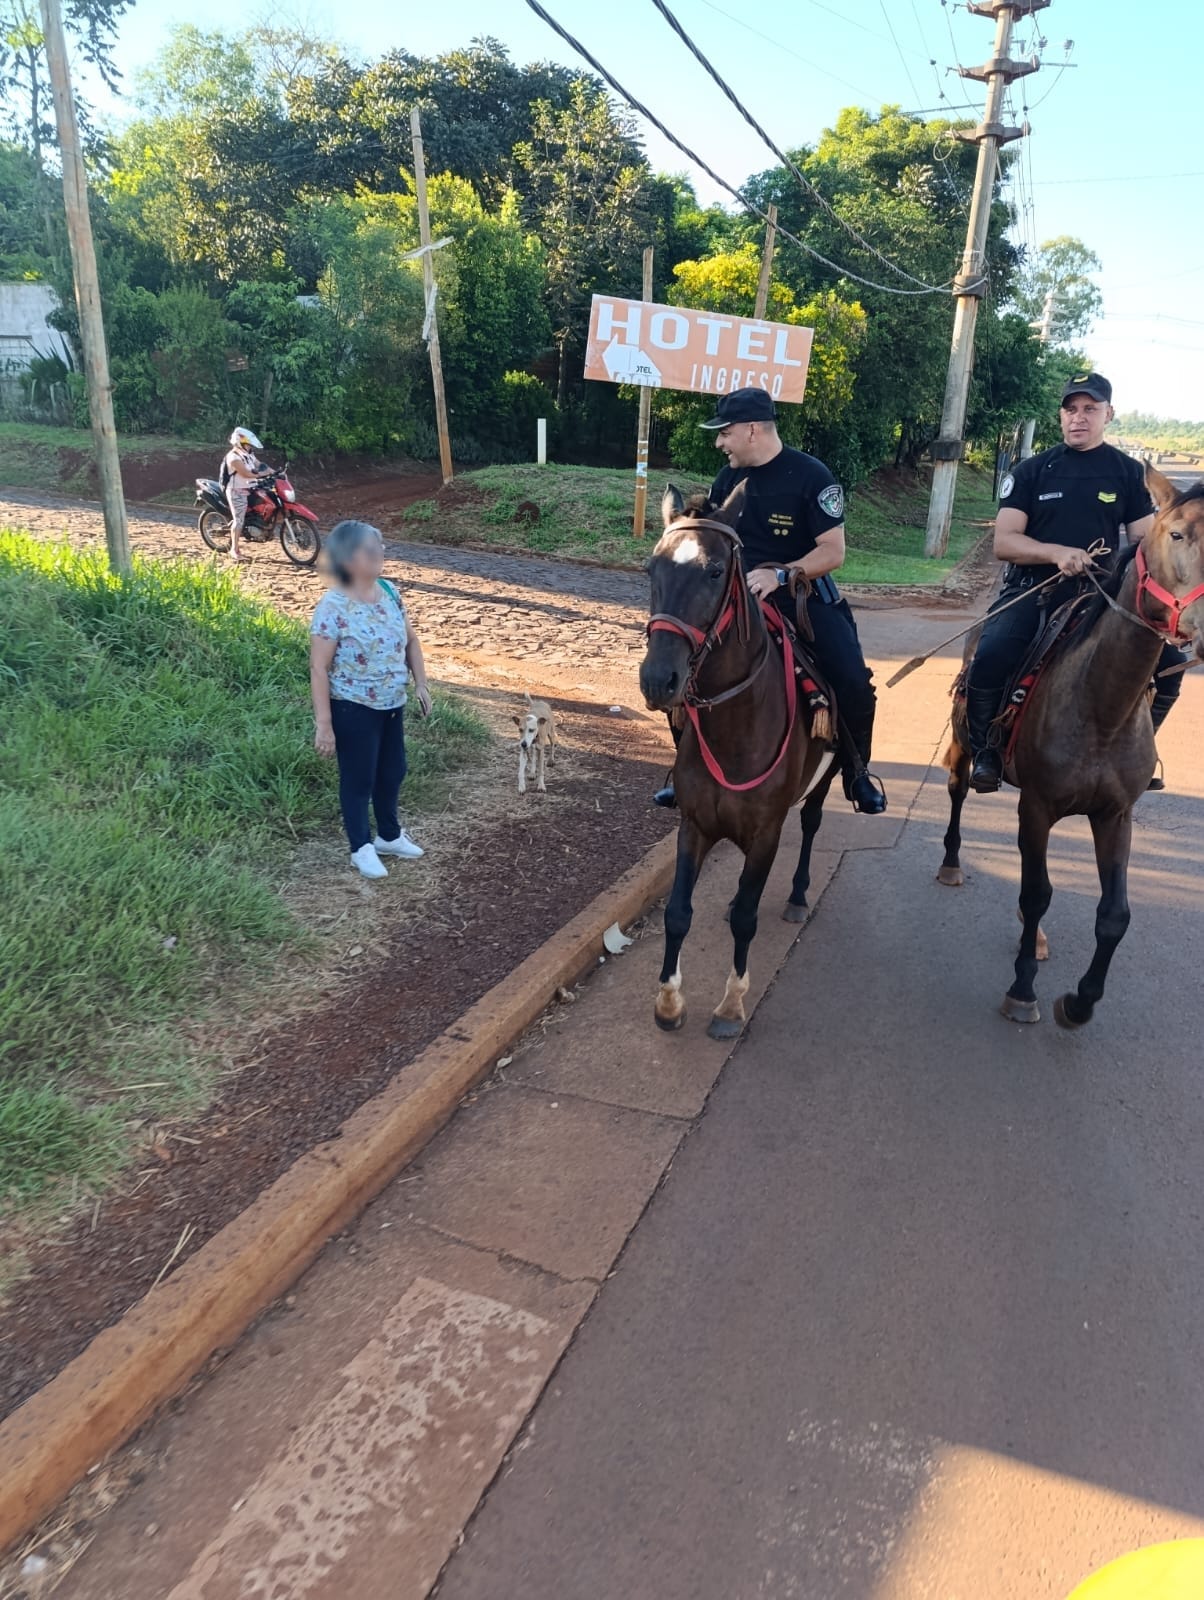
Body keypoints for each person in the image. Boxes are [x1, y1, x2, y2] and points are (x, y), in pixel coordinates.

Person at [654, 387, 886, 814]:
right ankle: (684, 767)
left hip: (802, 599)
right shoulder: (725, 481)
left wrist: (781, 574)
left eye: (724, 433)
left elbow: (833, 552)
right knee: (680, 665)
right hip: (736, 602)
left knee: (852, 681)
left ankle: (858, 772)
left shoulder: (812, 476)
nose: (719, 443)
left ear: (752, 430)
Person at [966, 371, 1185, 794]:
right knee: (991, 653)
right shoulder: (1031, 471)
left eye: (1090, 409)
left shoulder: (1126, 473)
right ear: (1060, 414)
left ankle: (1140, 749)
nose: (1078, 418)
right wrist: (1055, 553)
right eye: (1071, 409)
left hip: (1104, 594)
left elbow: (1144, 541)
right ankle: (986, 750)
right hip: (1034, 588)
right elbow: (1005, 541)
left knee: (1172, 666)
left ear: (1109, 414)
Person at [309, 519, 432, 879]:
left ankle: (389, 836)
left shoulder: (390, 592)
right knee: (359, 778)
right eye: (369, 548)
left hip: (393, 704)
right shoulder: (333, 606)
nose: (379, 553)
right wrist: (324, 725)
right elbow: (318, 668)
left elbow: (411, 641)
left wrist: (421, 683)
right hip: (353, 706)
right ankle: (360, 847)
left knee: (393, 771)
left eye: (380, 546)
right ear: (347, 559)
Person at [222, 426, 266, 564]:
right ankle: (234, 550)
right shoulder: (233, 457)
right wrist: (262, 474)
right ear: (240, 443)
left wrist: (275, 472)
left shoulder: (249, 454)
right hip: (236, 490)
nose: (249, 447)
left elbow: (260, 465)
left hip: (250, 487)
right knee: (239, 520)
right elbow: (245, 473)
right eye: (247, 444)